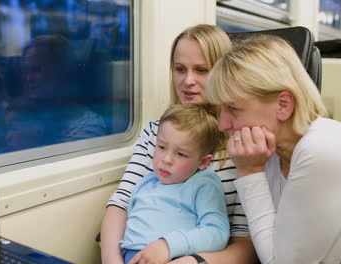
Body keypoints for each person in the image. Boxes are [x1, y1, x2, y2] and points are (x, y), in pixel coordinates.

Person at [206, 34, 341, 263]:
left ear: (283, 105)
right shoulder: (275, 153)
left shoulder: (322, 151)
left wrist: (249, 172)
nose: (223, 124)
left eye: (234, 109)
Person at [101, 24, 258, 264]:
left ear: (224, 73)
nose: (188, 81)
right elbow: (121, 203)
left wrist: (192, 261)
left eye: (202, 70)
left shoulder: (244, 144)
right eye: (180, 69)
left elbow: (245, 242)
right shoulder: (156, 132)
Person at [121, 104, 230, 264]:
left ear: (203, 161)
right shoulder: (147, 181)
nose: (166, 159)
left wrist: (168, 245)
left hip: (173, 257)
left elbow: (217, 232)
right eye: (161, 147)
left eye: (181, 154)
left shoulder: (204, 184)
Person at [9, 34, 108, 148]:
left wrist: (27, 145)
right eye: (25, 71)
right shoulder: (26, 117)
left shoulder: (88, 127)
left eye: (36, 70)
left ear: (61, 72)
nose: (28, 78)